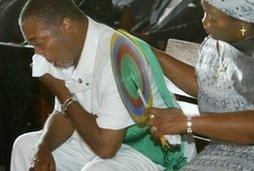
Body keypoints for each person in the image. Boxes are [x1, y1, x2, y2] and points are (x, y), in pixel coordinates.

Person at [10, 0, 196, 170]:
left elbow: (106, 148)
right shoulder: (67, 50)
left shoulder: (115, 57)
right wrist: (43, 147)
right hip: (104, 136)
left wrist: (62, 92)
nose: (38, 53)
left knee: (98, 169)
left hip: (151, 149)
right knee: (26, 148)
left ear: (66, 26)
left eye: (39, 43)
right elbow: (64, 116)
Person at [148, 0, 254, 170]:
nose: (204, 22)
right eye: (204, 12)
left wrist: (187, 122)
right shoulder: (217, 43)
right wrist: (151, 53)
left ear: (243, 21)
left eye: (213, 18)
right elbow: (205, 87)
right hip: (221, 148)